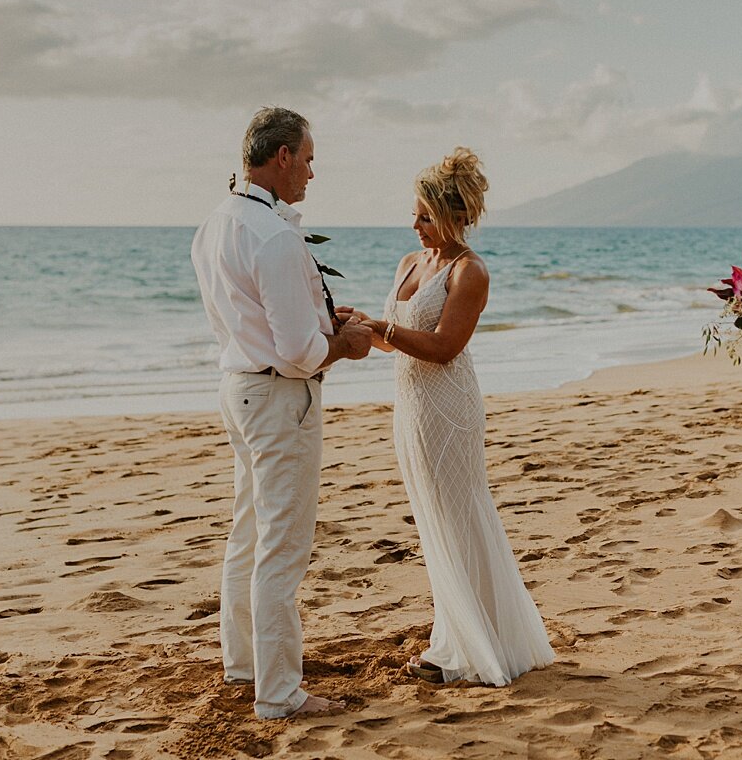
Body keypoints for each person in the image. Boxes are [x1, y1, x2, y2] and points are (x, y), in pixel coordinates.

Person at [191, 106, 373, 719]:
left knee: (247, 532)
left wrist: (324, 321)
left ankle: (244, 666)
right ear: (283, 156)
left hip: (239, 387)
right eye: (310, 159)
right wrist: (341, 346)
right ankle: (279, 693)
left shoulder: (217, 223)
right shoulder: (273, 235)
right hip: (276, 399)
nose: (313, 174)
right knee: (283, 546)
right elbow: (297, 352)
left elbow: (252, 319)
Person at [348, 147, 555, 686]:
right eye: (413, 214)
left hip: (450, 409)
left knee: (460, 520)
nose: (415, 226)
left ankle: (468, 647)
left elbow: (443, 347)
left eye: (425, 215)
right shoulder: (409, 265)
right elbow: (392, 344)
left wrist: (384, 328)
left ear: (456, 216)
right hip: (411, 407)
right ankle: (456, 634)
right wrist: (355, 325)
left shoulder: (471, 271)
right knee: (432, 520)